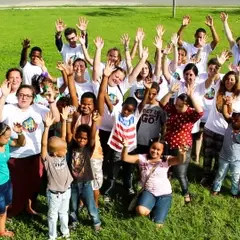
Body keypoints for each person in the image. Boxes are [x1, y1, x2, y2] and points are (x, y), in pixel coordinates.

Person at [0, 82, 60, 217]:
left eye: (28, 96)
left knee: (34, 183)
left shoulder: (39, 108)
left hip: (35, 154)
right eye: (21, 95)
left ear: (33, 98)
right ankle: (12, 210)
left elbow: (56, 118)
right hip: (15, 155)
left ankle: (30, 206)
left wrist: (51, 101)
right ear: (16, 96)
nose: (24, 98)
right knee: (16, 185)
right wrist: (3, 96)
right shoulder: (9, 108)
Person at [98, 62, 150, 200]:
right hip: (117, 147)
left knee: (129, 170)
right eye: (125, 108)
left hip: (131, 148)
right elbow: (104, 95)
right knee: (113, 171)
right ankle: (108, 191)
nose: (126, 112)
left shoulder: (135, 116)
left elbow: (143, 104)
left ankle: (129, 188)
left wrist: (148, 91)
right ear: (122, 106)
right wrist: (105, 77)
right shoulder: (116, 112)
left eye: (129, 110)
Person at [121, 139, 187, 227]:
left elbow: (180, 160)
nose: (155, 151)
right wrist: (125, 147)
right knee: (141, 211)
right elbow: (125, 158)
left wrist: (182, 153)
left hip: (164, 194)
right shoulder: (142, 158)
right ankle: (147, 204)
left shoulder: (166, 160)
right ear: (149, 147)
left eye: (158, 150)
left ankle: (156, 208)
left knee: (158, 225)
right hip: (149, 191)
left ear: (163, 151)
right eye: (153, 148)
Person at [160, 83, 204, 203]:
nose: (177, 108)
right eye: (176, 105)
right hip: (168, 144)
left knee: (180, 173)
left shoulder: (190, 114)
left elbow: (200, 112)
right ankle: (163, 190)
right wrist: (170, 92)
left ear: (187, 105)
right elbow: (162, 103)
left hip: (182, 147)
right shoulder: (173, 109)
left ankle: (185, 193)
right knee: (165, 169)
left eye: (180, 106)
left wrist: (191, 96)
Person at [201, 71, 240, 186]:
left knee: (219, 159)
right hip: (210, 128)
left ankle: (214, 178)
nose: (229, 81)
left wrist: (230, 104)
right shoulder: (219, 88)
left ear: (236, 81)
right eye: (227, 79)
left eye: (232, 79)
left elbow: (233, 117)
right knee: (207, 156)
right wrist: (219, 63)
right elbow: (215, 74)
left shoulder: (238, 96)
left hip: (224, 133)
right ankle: (206, 176)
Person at [65, 110, 101, 231]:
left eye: (84, 139)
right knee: (73, 205)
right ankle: (73, 222)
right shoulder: (72, 145)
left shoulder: (88, 148)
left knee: (91, 205)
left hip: (86, 183)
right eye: (79, 138)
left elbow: (92, 136)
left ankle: (96, 222)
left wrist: (94, 122)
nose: (82, 140)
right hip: (73, 183)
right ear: (76, 136)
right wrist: (68, 119)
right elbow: (68, 134)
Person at [41, 110, 73, 240]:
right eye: (63, 150)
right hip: (55, 194)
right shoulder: (48, 159)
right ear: (54, 153)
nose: (66, 151)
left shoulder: (62, 154)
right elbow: (44, 145)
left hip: (66, 190)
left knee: (64, 213)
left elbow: (63, 138)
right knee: (53, 215)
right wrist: (47, 127)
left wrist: (64, 120)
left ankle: (65, 233)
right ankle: (52, 236)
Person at [0, 123, 26, 238]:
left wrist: (20, 133)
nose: (8, 139)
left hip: (6, 181)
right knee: (0, 210)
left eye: (8, 137)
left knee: (5, 206)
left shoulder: (6, 144)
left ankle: (2, 229)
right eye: (5, 137)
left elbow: (21, 143)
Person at [212, 110, 240, 198]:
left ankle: (234, 192)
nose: (234, 121)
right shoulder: (230, 125)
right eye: (234, 119)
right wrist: (226, 104)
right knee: (220, 174)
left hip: (237, 160)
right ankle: (216, 189)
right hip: (224, 157)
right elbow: (225, 113)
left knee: (236, 177)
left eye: (237, 120)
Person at [136, 82, 166, 154]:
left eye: (153, 94)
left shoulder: (160, 107)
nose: (150, 96)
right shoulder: (142, 104)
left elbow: (164, 124)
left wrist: (161, 138)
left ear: (157, 94)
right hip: (139, 139)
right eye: (149, 93)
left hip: (153, 140)